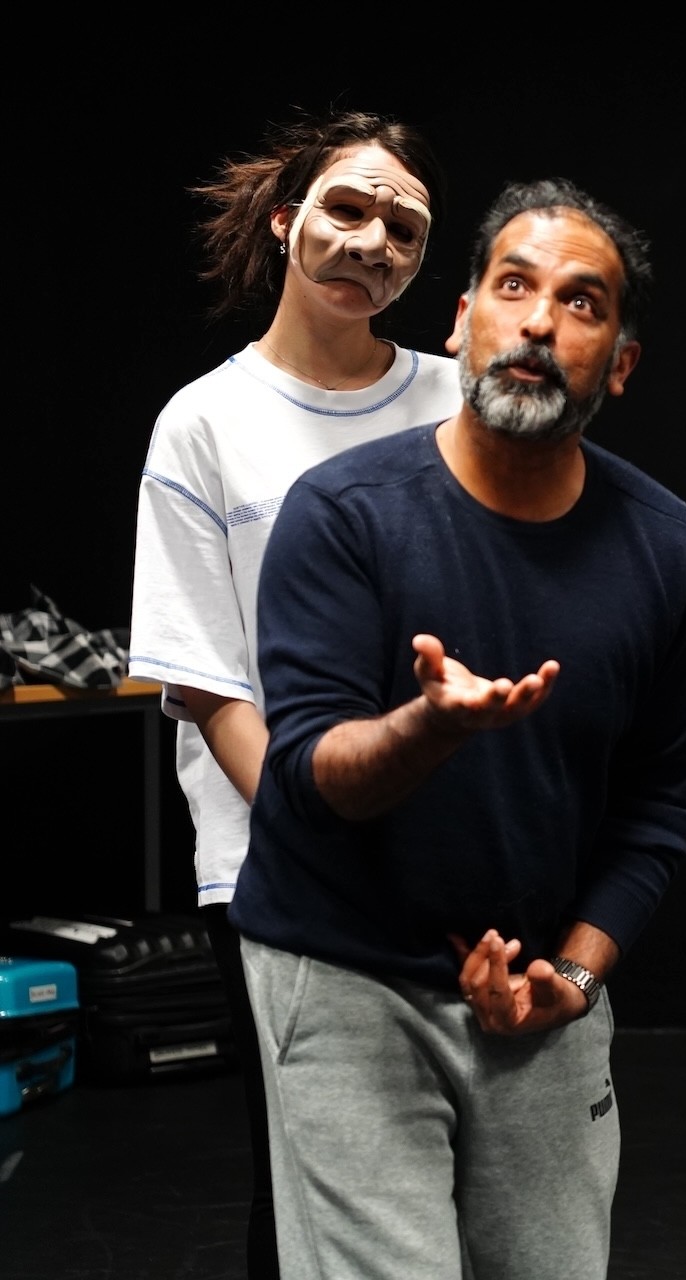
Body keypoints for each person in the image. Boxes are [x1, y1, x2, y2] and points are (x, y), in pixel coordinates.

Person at [226, 177, 686, 1280]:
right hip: (344, 970)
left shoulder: (671, 551)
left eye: (582, 303)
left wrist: (574, 978)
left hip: (540, 984)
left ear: (621, 364)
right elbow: (306, 782)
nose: (540, 322)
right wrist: (428, 727)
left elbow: (657, 810)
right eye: (513, 287)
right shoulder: (343, 513)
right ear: (461, 321)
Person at [127, 110, 455, 1279]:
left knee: (439, 1168)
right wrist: (320, 824)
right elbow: (208, 678)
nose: (373, 242)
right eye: (348, 209)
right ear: (285, 219)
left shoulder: (458, 401)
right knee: (310, 1171)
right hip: (277, 860)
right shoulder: (203, 424)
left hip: (449, 850)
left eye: (404, 230)